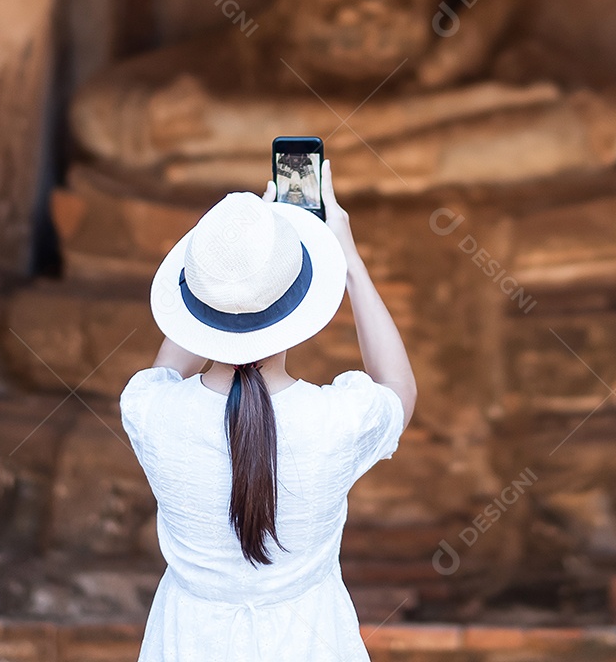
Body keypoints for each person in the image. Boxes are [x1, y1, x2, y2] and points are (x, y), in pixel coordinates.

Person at [120, 158, 417, 661]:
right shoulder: (337, 421)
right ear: (300, 305)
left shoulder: (149, 411)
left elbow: (174, 357)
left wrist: (228, 265)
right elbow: (398, 386)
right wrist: (345, 255)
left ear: (193, 301)